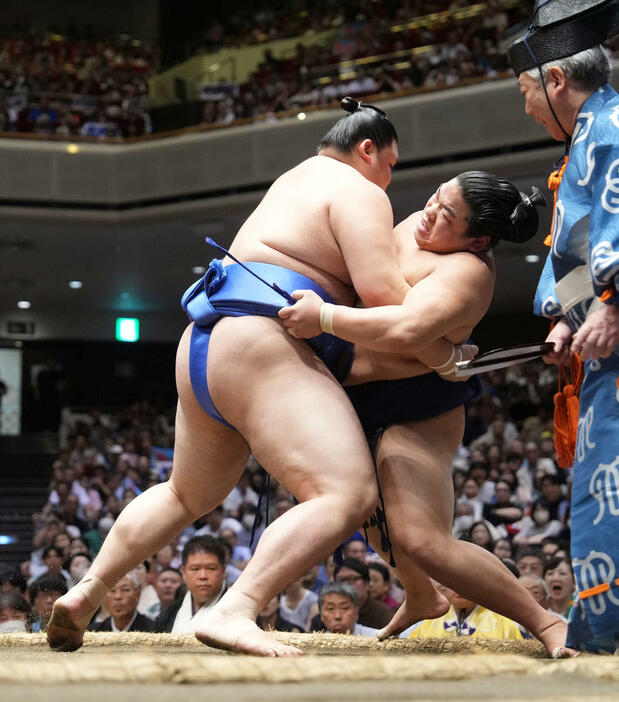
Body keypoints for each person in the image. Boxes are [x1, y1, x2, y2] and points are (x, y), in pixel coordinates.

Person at [47, 97, 470, 657]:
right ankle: (238, 607)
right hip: (260, 343)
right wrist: (447, 351)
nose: (390, 181)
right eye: (390, 164)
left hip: (204, 343)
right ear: (367, 150)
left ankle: (88, 590)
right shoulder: (358, 189)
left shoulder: (291, 181)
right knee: (346, 492)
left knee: (183, 493)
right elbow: (386, 300)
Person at [279, 170, 575, 657]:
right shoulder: (420, 223)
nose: (429, 215)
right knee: (371, 518)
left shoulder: (467, 273)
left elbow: (403, 328)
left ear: (476, 238)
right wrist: (440, 351)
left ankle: (545, 623)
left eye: (447, 217)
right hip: (365, 389)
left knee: (423, 540)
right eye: (436, 199)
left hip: (419, 403)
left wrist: (325, 317)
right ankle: (420, 595)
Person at [507, 0, 619, 651]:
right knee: (599, 488)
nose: (523, 107)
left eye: (525, 91)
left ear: (555, 81)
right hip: (603, 354)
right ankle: (603, 630)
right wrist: (568, 317)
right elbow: (575, 248)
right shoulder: (588, 139)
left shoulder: (612, 129)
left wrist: (612, 305)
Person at [154, 536, 227, 633]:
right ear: (183, 572)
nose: (203, 576)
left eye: (211, 568)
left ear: (223, 571)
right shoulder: (169, 614)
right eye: (195, 569)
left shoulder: (240, 611)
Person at [407, 587, 523, 641]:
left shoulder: (502, 622)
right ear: (444, 587)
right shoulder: (430, 620)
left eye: (465, 583)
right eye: (453, 583)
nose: (459, 589)